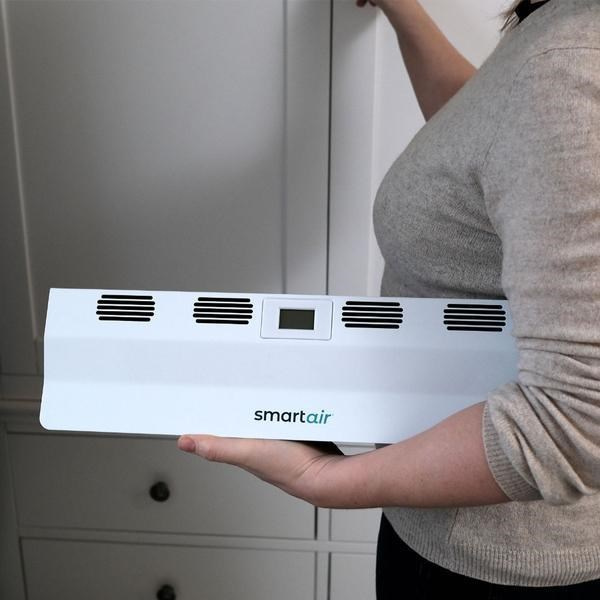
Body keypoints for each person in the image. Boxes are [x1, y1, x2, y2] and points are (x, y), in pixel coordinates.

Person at [177, 0, 600, 596]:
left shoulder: (574, 61)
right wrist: (405, 11)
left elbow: (576, 420)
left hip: (492, 565)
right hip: (453, 526)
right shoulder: (563, 35)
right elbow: (490, 139)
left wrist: (323, 478)